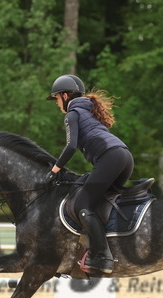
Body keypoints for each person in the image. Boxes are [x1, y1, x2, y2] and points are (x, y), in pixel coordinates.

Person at [45, 74, 134, 274]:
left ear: (66, 96)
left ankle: (103, 256)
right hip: (125, 157)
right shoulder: (89, 111)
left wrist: (54, 170)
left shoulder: (72, 114)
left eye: (57, 99)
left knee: (81, 205)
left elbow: (70, 147)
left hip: (110, 158)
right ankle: (111, 244)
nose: (57, 104)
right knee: (94, 197)